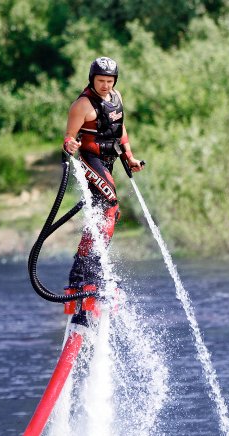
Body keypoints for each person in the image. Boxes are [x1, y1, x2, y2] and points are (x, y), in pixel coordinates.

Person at [63, 56, 143, 293]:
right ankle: (93, 267)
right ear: (92, 79)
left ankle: (81, 271)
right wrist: (70, 146)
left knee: (107, 214)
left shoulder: (116, 98)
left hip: (110, 161)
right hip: (91, 159)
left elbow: (120, 129)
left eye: (109, 81)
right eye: (101, 80)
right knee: (109, 205)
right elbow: (69, 137)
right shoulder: (82, 105)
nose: (105, 85)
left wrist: (130, 157)